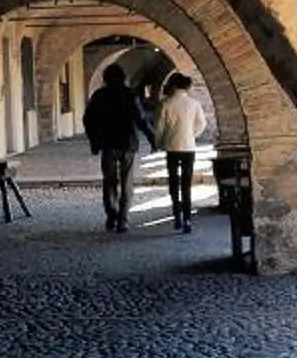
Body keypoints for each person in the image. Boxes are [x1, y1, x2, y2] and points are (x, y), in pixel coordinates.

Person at [80, 64, 155, 232]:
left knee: (109, 182)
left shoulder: (99, 95)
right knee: (127, 182)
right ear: (123, 77)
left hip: (107, 144)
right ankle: (123, 219)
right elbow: (141, 119)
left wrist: (94, 141)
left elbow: (88, 119)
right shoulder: (130, 95)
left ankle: (111, 216)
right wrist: (152, 139)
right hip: (127, 143)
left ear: (105, 78)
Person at [156, 72, 213, 233]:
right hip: (188, 147)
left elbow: (159, 127)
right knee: (186, 184)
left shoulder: (165, 103)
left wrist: (159, 142)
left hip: (171, 147)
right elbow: (201, 124)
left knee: (174, 183)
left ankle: (177, 217)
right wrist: (191, 135)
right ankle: (188, 220)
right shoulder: (194, 103)